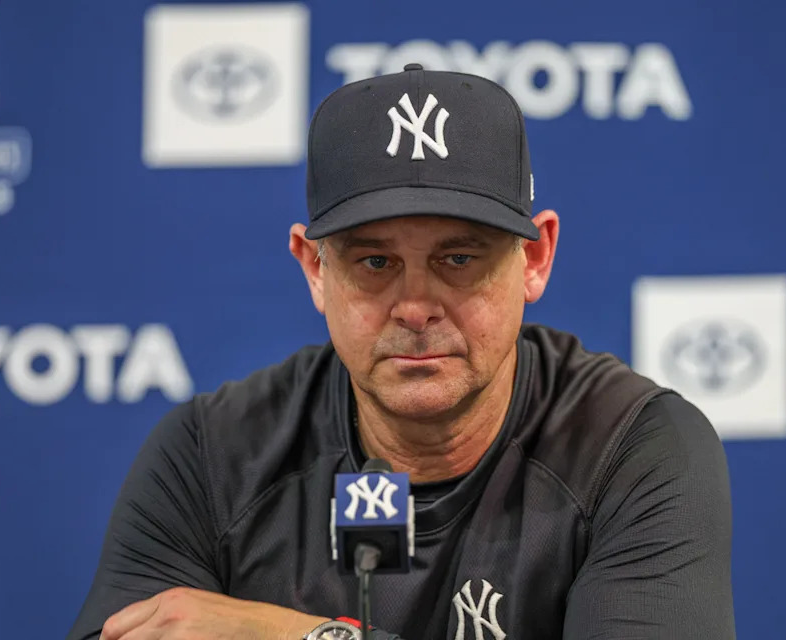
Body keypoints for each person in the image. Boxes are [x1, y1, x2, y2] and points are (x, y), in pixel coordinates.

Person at [65, 63, 735, 640]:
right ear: (315, 269)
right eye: (376, 262)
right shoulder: (213, 457)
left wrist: (301, 636)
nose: (415, 307)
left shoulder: (629, 448)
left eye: (458, 259)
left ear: (535, 259)